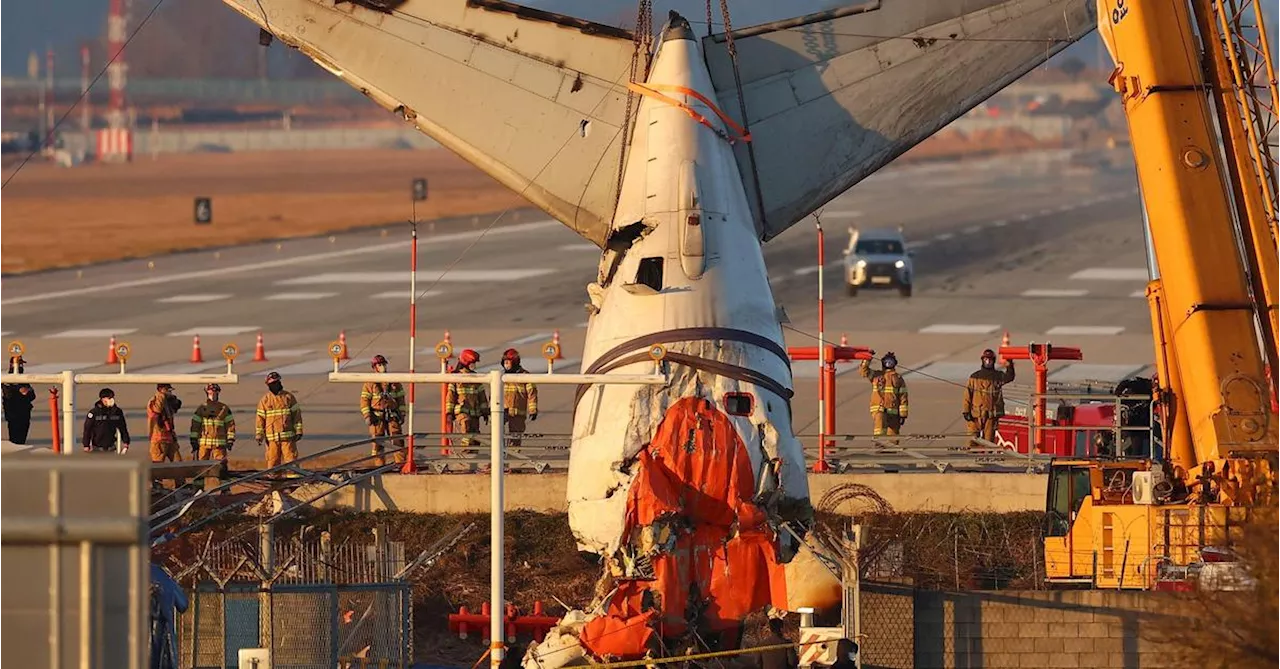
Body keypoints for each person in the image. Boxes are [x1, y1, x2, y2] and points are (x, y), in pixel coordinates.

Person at [962, 348, 1016, 446]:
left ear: (993, 361)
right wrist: (966, 411)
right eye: (986, 359)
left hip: (991, 416)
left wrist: (1010, 364)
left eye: (990, 360)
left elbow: (1009, 377)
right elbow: (967, 395)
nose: (988, 362)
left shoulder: (998, 376)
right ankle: (971, 460)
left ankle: (987, 460)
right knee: (972, 441)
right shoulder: (974, 377)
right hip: (975, 416)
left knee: (989, 443)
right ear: (982, 360)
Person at [361, 354, 405, 467]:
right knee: (378, 443)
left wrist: (402, 413)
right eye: (380, 365)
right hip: (377, 417)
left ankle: (400, 464)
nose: (383, 367)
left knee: (397, 441)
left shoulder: (394, 382)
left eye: (384, 364)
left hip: (392, 415)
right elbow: (364, 400)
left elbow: (401, 399)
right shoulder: (370, 383)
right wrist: (367, 416)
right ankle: (379, 466)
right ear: (375, 367)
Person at [256, 371, 304, 469]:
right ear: (268, 385)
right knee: (273, 463)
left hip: (288, 438)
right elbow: (260, 419)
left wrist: (299, 431)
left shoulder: (288, 397)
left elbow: (296, 415)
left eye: (277, 382)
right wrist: (259, 435)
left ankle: (293, 480)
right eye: (273, 384)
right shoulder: (265, 400)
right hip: (272, 440)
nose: (276, 385)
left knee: (291, 461)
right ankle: (274, 483)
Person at [446, 349, 489, 455]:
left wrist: (485, 412)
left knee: (475, 437)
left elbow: (482, 397)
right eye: (472, 363)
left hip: (475, 413)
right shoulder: (456, 378)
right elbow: (450, 397)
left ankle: (473, 458)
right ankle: (465, 455)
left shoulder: (476, 378)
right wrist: (449, 413)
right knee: (466, 430)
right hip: (462, 412)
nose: (474, 365)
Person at [859, 350, 908, 443]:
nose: (888, 363)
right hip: (879, 408)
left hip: (893, 411)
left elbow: (903, 396)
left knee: (893, 435)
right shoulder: (876, 375)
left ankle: (891, 452)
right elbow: (863, 371)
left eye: (891, 361)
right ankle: (879, 443)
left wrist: (903, 414)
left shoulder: (898, 378)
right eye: (887, 361)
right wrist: (867, 357)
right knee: (880, 423)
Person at [501, 348, 537, 452]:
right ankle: (499, 459)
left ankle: (513, 461)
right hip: (503, 411)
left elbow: (532, 393)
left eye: (508, 362)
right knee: (498, 436)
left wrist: (533, 410)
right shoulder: (501, 376)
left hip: (518, 412)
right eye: (505, 362)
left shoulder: (525, 376)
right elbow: (494, 394)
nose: (506, 365)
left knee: (515, 438)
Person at [189, 383, 236, 463]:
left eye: (215, 393)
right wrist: (193, 440)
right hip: (204, 444)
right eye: (211, 393)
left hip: (219, 444)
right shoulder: (201, 409)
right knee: (201, 467)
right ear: (207, 393)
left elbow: (230, 425)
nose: (213, 395)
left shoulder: (224, 409)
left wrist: (230, 440)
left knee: (220, 467)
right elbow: (195, 426)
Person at [82, 387, 131, 453]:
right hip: (97, 447)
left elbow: (122, 427)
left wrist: (126, 441)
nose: (111, 400)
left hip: (111, 447)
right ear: (103, 399)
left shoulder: (117, 412)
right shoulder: (94, 412)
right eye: (109, 398)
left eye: (112, 397)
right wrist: (86, 445)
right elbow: (87, 429)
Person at [2, 355, 35, 444]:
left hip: (24, 414)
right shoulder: (7, 379)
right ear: (12, 365)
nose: (21, 366)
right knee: (15, 439)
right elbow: (8, 394)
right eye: (19, 364)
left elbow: (32, 395)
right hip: (13, 415)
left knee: (22, 439)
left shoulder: (23, 379)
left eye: (21, 364)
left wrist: (26, 392)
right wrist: (19, 390)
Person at [147, 383, 183, 462]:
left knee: (179, 463)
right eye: (167, 390)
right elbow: (157, 410)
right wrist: (162, 396)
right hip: (158, 440)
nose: (169, 392)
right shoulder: (155, 400)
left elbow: (177, 405)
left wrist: (172, 399)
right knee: (158, 465)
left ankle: (177, 474)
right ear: (160, 390)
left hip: (170, 438)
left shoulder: (168, 402)